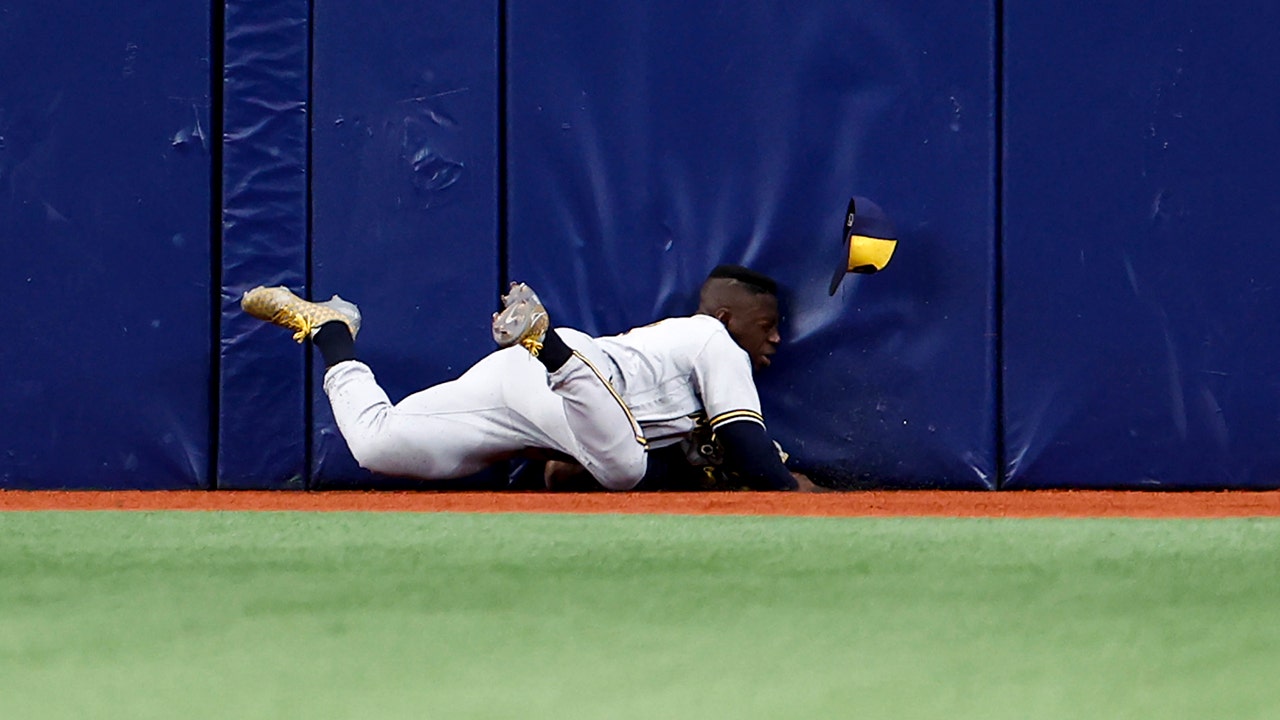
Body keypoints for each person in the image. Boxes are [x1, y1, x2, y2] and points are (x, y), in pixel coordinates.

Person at [241, 265, 812, 491]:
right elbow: (745, 441)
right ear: (727, 317)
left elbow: (560, 474)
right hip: (571, 371)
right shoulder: (715, 340)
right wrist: (797, 496)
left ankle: (330, 331)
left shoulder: (683, 356)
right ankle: (547, 339)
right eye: (767, 324)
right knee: (624, 470)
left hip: (526, 388)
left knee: (377, 443)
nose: (775, 338)